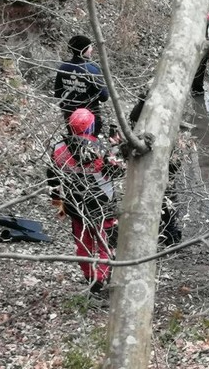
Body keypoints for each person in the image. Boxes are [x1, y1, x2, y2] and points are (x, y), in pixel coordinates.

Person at [47, 108, 123, 298]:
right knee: (106, 245)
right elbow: (117, 172)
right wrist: (117, 147)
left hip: (75, 205)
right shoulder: (101, 150)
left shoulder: (58, 148)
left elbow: (52, 180)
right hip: (103, 205)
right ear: (91, 127)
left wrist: (59, 206)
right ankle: (101, 281)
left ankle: (91, 279)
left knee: (83, 244)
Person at [128, 91, 183, 246]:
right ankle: (171, 234)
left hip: (148, 163)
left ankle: (158, 229)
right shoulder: (155, 115)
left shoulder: (136, 112)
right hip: (159, 163)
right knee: (168, 198)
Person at [54, 35, 109, 136]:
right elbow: (104, 97)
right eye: (90, 47)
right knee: (90, 142)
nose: (91, 49)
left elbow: (58, 94)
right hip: (89, 116)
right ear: (84, 50)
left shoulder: (63, 67)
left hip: (70, 116)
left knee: (74, 142)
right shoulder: (92, 70)